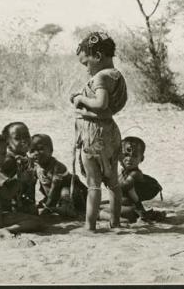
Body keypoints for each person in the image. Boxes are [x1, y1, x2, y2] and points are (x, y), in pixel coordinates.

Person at [71, 31, 127, 232]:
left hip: (95, 135)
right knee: (113, 182)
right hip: (110, 131)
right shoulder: (117, 76)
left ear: (97, 57)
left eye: (87, 64)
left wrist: (80, 99)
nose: (87, 70)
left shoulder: (101, 77)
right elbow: (110, 107)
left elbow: (101, 103)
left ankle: (90, 225)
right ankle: (116, 222)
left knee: (93, 183)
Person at [28, 133, 87, 217]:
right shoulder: (35, 166)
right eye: (32, 150)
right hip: (53, 197)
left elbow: (54, 189)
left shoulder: (58, 167)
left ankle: (68, 208)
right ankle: (58, 207)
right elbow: (31, 185)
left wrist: (48, 207)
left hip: (73, 197)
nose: (36, 153)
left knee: (65, 190)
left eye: (41, 149)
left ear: (51, 150)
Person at [118, 136, 165, 223]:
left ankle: (126, 219)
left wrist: (109, 179)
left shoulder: (135, 174)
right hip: (125, 206)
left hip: (132, 209)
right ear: (119, 156)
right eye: (126, 155)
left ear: (141, 159)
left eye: (134, 156)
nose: (129, 159)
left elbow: (124, 186)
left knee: (101, 211)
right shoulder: (123, 172)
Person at [1, 122, 37, 214]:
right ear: (7, 143)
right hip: (6, 208)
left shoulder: (27, 158)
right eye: (17, 138)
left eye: (26, 136)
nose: (24, 140)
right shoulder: (8, 161)